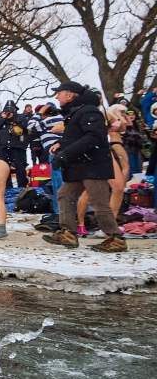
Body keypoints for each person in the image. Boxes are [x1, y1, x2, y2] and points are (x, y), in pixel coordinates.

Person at [43, 82, 126, 252]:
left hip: (92, 165)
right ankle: (68, 233)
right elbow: (78, 136)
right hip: (80, 165)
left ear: (70, 94)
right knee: (65, 194)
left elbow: (94, 137)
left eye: (58, 93)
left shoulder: (89, 111)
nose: (56, 97)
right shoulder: (77, 112)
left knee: (98, 201)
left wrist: (66, 154)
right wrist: (61, 144)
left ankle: (115, 238)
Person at [0, 101, 29, 188]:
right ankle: (5, 192)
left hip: (18, 149)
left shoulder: (21, 117)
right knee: (3, 171)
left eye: (11, 110)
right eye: (7, 110)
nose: (8, 112)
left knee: (20, 171)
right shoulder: (0, 118)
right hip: (2, 149)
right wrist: (2, 118)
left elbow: (26, 126)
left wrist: (13, 118)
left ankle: (21, 192)